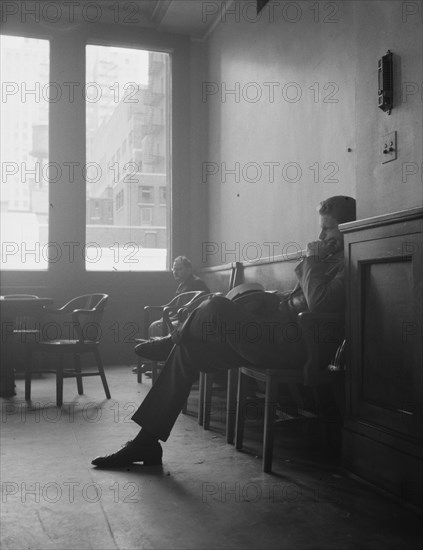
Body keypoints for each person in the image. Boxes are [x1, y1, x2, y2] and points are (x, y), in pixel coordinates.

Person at [92, 195, 356, 468]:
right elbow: (303, 297)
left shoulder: (349, 261)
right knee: (188, 350)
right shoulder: (328, 261)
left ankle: (170, 340)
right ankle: (145, 442)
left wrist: (311, 261)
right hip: (273, 334)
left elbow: (322, 303)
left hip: (292, 346)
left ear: (348, 227)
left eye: (328, 228)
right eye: (321, 228)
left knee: (217, 304)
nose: (320, 235)